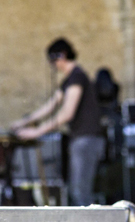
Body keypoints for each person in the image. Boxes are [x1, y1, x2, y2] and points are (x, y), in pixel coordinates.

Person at [10, 38, 104, 206]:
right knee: (76, 191)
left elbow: (66, 113)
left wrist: (37, 132)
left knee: (80, 192)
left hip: (86, 140)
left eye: (53, 60)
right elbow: (51, 105)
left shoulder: (77, 77)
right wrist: (24, 122)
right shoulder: (69, 80)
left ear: (62, 55)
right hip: (80, 140)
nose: (53, 65)